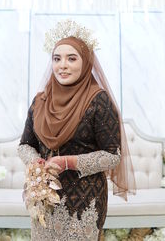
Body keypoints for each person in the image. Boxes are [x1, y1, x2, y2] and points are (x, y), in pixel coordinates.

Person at [18, 19, 136, 241]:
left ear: (86, 62)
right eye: (57, 58)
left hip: (84, 202)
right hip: (44, 200)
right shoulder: (40, 101)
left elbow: (112, 156)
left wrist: (68, 163)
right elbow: (25, 145)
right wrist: (36, 163)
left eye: (72, 58)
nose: (62, 65)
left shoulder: (98, 101)